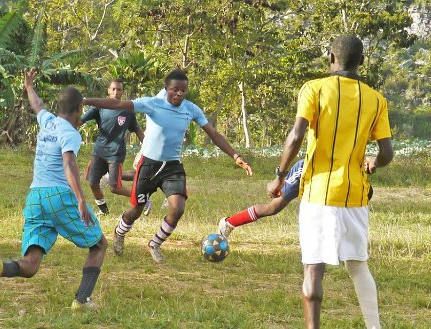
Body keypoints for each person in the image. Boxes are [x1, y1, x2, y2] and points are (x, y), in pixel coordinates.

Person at [267, 35, 394, 329]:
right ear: (361, 62)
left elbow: (297, 136)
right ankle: (375, 327)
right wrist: (374, 162)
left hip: (318, 194)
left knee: (313, 270)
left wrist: (280, 176)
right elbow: (387, 152)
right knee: (359, 266)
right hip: (356, 195)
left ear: (331, 59)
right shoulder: (376, 99)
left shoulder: (314, 89)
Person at [83, 68, 253, 262]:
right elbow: (117, 103)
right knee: (135, 211)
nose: (179, 93)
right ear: (166, 89)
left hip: (172, 166)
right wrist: (87, 101)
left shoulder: (191, 109)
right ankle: (120, 233)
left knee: (178, 208)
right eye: (174, 89)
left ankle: (154, 244)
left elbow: (213, 134)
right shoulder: (152, 104)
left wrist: (235, 155)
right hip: (148, 166)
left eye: (183, 90)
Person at [0, 68, 108, 310]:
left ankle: (0, 266)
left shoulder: (48, 121)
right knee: (98, 245)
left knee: (31, 264)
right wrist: (79, 199)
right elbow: (69, 163)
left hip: (35, 197)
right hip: (58, 196)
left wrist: (29, 86)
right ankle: (82, 299)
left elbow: (37, 105)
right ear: (78, 110)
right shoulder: (71, 133)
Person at [218, 160, 373, 239]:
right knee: (273, 208)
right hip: (305, 171)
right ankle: (229, 223)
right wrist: (280, 177)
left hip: (320, 182)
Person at [80, 78, 145, 215]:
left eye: (119, 89)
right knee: (92, 183)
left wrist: (147, 147)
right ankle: (104, 211)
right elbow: (80, 121)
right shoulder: (99, 107)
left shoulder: (128, 110)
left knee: (115, 187)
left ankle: (141, 198)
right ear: (108, 91)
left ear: (122, 92)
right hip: (99, 151)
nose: (116, 92)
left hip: (116, 154)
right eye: (113, 89)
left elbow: (137, 130)